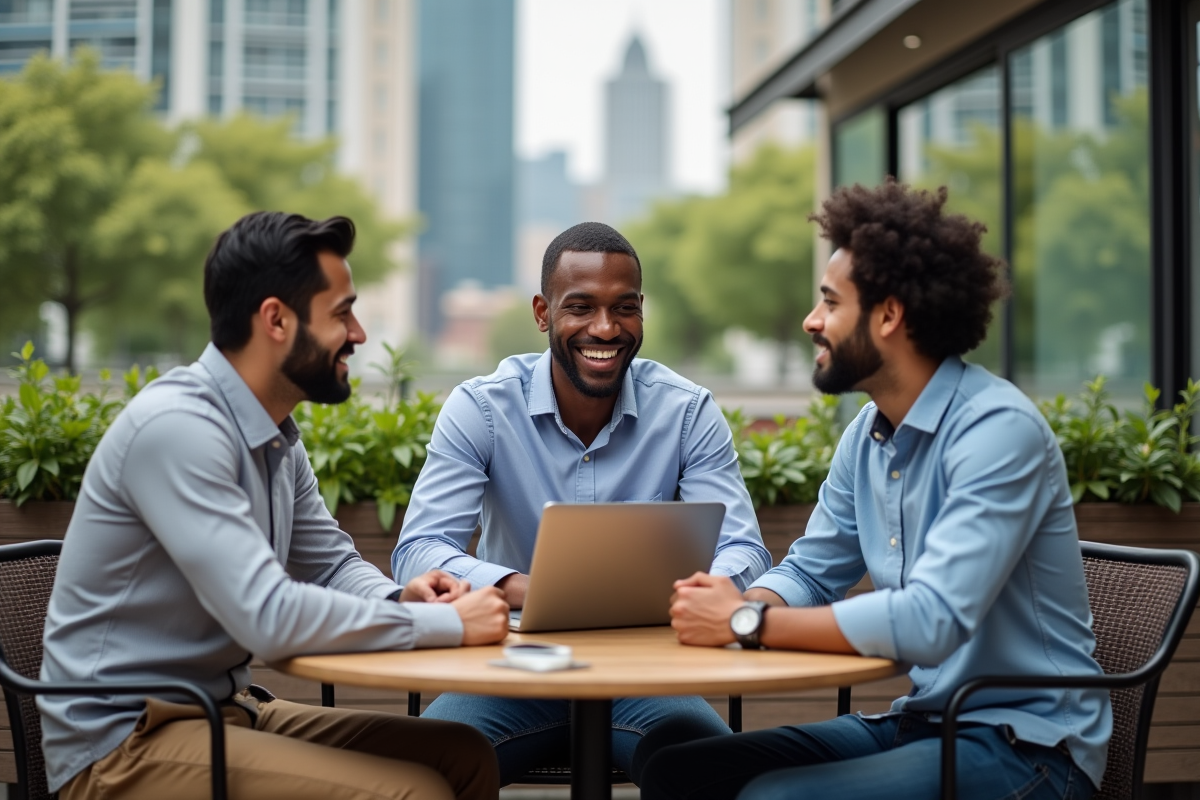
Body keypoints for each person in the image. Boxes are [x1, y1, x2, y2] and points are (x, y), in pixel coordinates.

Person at [639, 181, 1112, 800]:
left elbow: (930, 622)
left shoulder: (999, 433)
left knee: (776, 799)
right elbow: (811, 573)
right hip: (921, 723)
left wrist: (748, 621)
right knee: (675, 768)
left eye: (830, 303)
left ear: (889, 315)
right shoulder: (869, 433)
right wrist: (738, 599)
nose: (812, 321)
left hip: (1028, 748)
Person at [40, 212, 510, 800]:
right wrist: (445, 624)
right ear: (276, 319)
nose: (360, 334)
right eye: (341, 313)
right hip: (123, 745)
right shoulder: (179, 429)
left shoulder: (274, 434)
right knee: (413, 792)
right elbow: (268, 616)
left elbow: (332, 565)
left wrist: (400, 597)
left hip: (227, 710)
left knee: (461, 756)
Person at [392, 221, 772, 785]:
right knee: (415, 774)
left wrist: (693, 593)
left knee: (719, 776)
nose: (605, 327)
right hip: (513, 673)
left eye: (624, 307)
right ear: (543, 314)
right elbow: (418, 551)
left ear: (642, 311)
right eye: (581, 307)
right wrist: (528, 589)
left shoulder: (687, 412)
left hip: (647, 680)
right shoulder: (482, 408)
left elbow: (744, 548)